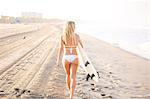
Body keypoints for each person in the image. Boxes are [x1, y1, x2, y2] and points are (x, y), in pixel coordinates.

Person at [56, 21, 83, 99]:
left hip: (66, 58)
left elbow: (60, 49)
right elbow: (82, 47)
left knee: (68, 75)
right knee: (73, 77)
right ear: (73, 27)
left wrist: (58, 60)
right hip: (75, 57)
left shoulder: (62, 36)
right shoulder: (77, 36)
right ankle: (71, 96)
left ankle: (69, 91)